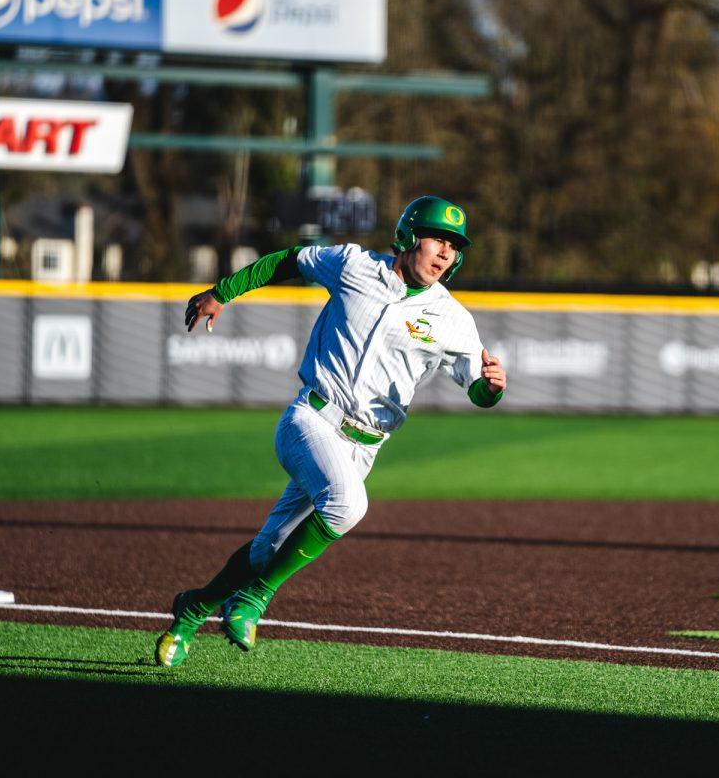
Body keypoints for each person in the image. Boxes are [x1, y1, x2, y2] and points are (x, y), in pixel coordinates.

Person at [155, 196, 507, 668]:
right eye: (437, 239)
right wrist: (224, 291)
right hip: (311, 418)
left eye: (454, 246)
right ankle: (255, 600)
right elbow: (287, 261)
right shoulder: (353, 265)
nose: (445, 252)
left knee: (267, 551)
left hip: (364, 448)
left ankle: (193, 609)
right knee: (348, 505)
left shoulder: (454, 320)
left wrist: (491, 387)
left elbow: (478, 389)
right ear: (406, 237)